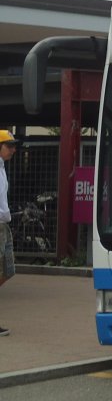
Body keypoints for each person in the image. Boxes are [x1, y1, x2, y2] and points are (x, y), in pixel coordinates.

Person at [0, 129, 19, 337]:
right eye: (9, 145)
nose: (13, 150)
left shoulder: (2, 168)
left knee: (8, 270)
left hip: (3, 225)